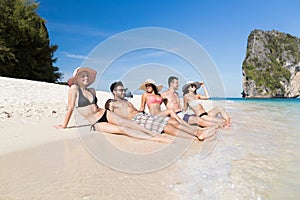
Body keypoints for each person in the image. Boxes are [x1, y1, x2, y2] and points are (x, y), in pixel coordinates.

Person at [54, 67, 172, 143]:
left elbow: (96, 106)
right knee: (122, 129)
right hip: (96, 122)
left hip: (105, 113)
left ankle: (154, 133)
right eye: (82, 75)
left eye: (86, 75)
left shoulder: (92, 90)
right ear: (77, 78)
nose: (85, 77)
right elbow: (70, 108)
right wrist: (64, 126)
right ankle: (154, 138)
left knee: (129, 123)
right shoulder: (74, 89)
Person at [105, 81, 219, 141]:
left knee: (172, 121)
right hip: (136, 120)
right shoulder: (111, 102)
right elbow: (108, 115)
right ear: (114, 91)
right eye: (120, 90)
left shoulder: (126, 101)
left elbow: (140, 108)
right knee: (166, 128)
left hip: (143, 116)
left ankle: (198, 132)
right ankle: (196, 137)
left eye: (123, 90)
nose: (123, 92)